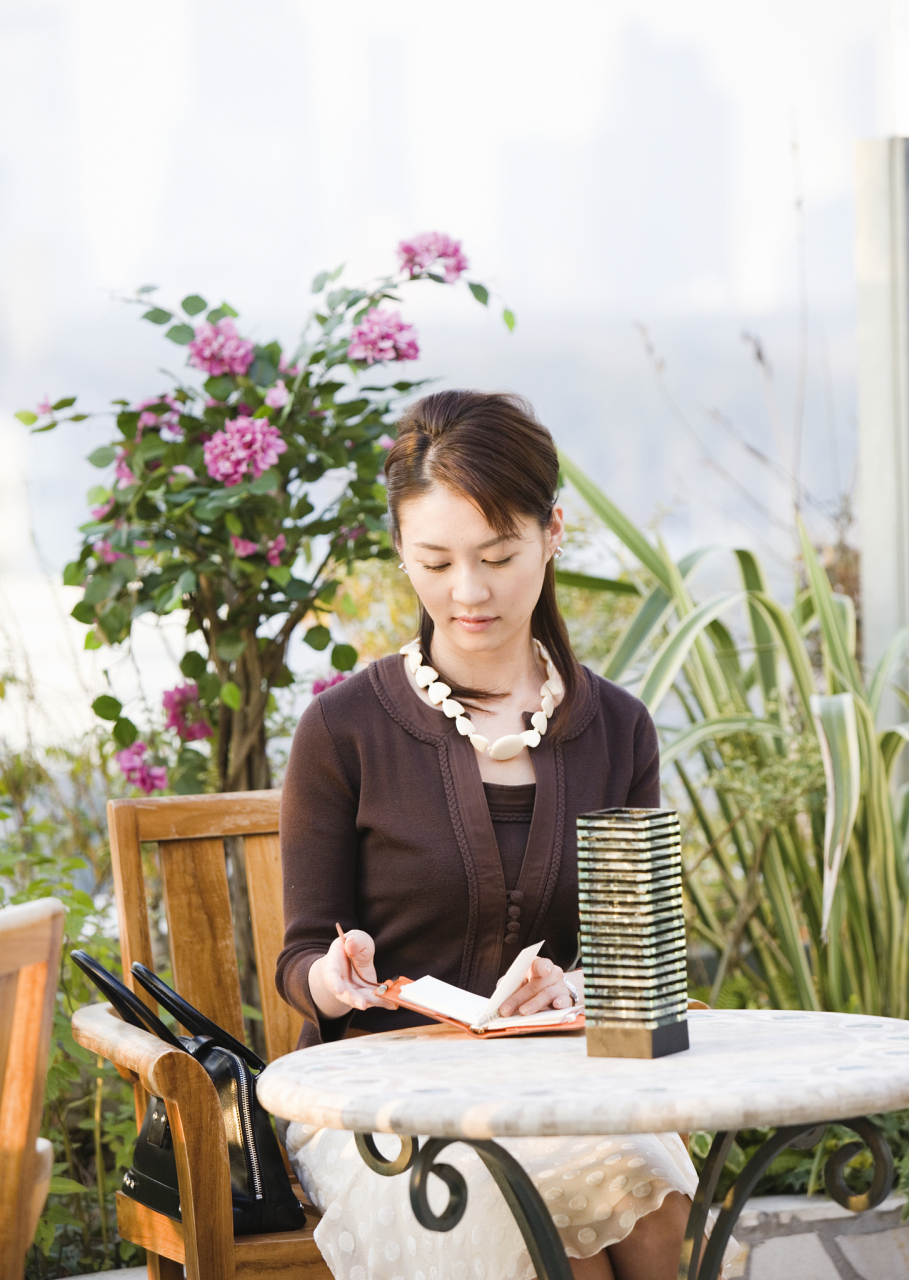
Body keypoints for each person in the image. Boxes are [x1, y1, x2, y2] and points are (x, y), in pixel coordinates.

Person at [277, 391, 735, 1280]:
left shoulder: (618, 729)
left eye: (495, 556)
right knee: (539, 1232)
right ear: (400, 549)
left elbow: (632, 963)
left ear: (551, 533)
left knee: (653, 1207)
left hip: (560, 1090)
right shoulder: (343, 730)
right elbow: (300, 961)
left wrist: (572, 986)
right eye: (434, 560)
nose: (468, 591)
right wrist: (334, 978)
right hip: (382, 1108)